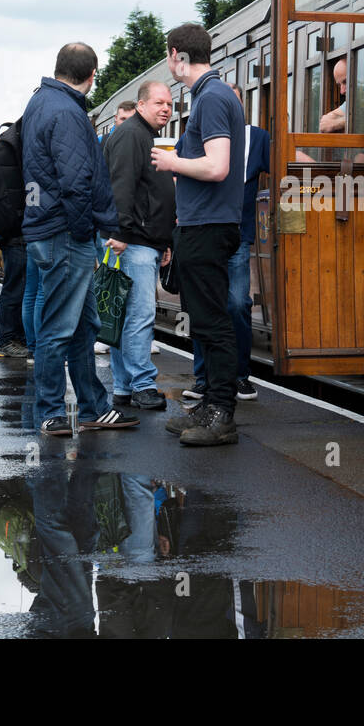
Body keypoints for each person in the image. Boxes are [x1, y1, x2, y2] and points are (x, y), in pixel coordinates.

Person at [22, 42, 133, 436]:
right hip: (64, 233)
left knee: (86, 325)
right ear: (92, 75)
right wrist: (86, 230)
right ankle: (50, 412)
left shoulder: (40, 102)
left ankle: (93, 407)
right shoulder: (67, 111)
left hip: (49, 226)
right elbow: (75, 181)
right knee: (57, 327)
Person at [153, 23, 245, 447]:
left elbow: (217, 166)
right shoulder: (214, 94)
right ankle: (210, 403)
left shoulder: (211, 97)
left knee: (213, 322)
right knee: (207, 321)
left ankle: (221, 413)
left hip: (208, 226)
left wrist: (172, 163)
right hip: (201, 224)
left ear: (177, 55)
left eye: (168, 56)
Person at [183, 82, 268, 404]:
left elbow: (288, 162)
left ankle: (240, 376)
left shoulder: (256, 138)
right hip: (202, 231)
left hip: (237, 235)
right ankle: (204, 378)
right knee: (204, 305)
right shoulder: (196, 134)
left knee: (236, 304)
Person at [103, 79, 176, 411]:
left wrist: (165, 241)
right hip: (133, 242)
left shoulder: (142, 135)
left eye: (170, 104)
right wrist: (121, 231)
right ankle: (143, 384)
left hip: (144, 240)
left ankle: (123, 386)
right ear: (141, 105)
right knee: (139, 315)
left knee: (123, 315)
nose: (166, 108)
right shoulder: (133, 135)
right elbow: (122, 185)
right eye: (159, 102)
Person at [317, 57, 349, 133]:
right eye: (339, 85)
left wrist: (339, 123)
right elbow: (325, 123)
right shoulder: (353, 103)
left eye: (346, 82)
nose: (342, 91)